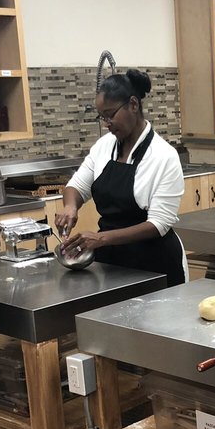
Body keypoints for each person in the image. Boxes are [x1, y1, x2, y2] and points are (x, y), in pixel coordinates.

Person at [57, 70, 186, 286]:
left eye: (110, 115)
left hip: (155, 264)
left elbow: (159, 224)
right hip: (111, 262)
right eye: (102, 117)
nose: (106, 123)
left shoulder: (164, 156)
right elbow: (76, 187)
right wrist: (70, 207)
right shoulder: (104, 146)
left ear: (133, 105)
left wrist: (101, 238)